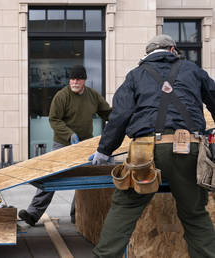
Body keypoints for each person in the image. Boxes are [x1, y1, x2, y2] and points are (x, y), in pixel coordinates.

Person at [90, 34, 215, 257]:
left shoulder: (136, 75)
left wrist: (104, 150)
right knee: (195, 215)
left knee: (125, 209)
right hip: (188, 149)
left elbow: (120, 116)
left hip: (144, 151)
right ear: (173, 50)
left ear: (148, 54)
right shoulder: (193, 71)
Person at [18, 65, 112, 226]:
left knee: (86, 179)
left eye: (78, 79)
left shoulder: (93, 96)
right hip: (62, 143)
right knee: (51, 176)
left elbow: (107, 113)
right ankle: (33, 214)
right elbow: (54, 119)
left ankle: (78, 213)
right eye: (72, 79)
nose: (74, 82)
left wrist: (121, 119)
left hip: (85, 144)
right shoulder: (62, 96)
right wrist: (69, 134)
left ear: (84, 80)